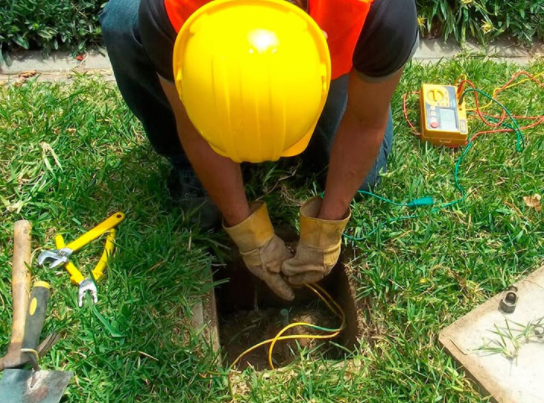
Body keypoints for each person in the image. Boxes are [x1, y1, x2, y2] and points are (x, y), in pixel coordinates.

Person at [100, 0, 418, 301]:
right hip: (195, 41)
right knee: (123, 20)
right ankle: (189, 168)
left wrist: (328, 227)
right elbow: (194, 127)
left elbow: (364, 123)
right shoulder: (173, 10)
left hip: (340, 49)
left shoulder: (380, 11)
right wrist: (247, 232)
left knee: (363, 179)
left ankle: (345, 89)